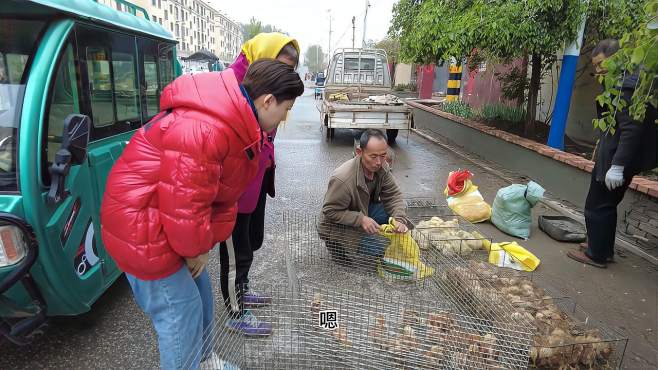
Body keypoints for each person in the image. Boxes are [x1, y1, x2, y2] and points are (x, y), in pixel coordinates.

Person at [100, 60, 304, 369]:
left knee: (201, 300)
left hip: (164, 220)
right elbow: (185, 203)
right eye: (285, 109)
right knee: (180, 312)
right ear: (268, 101)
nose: (284, 117)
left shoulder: (237, 122)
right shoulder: (207, 127)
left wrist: (199, 246)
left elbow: (218, 195)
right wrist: (194, 250)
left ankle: (205, 361)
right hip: (141, 225)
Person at [218, 33, 300, 337]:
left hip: (255, 179)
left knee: (251, 243)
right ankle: (236, 313)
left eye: (290, 70)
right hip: (233, 189)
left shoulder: (274, 89)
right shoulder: (237, 88)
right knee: (233, 252)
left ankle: (244, 288)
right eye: (279, 66)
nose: (284, 76)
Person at [567, 39, 657, 268]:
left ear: (616, 58)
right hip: (618, 155)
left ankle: (596, 254)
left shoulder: (625, 86)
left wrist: (617, 166)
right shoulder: (628, 80)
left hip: (619, 158)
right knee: (606, 204)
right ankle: (601, 247)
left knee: (597, 204)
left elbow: (631, 129)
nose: (597, 70)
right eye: (595, 66)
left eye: (600, 64)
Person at [320, 129, 410, 263]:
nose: (379, 162)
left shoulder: (381, 167)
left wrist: (399, 220)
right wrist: (361, 219)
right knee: (384, 246)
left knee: (401, 208)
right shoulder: (343, 178)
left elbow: (393, 195)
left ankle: (371, 233)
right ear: (359, 152)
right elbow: (330, 211)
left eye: (383, 155)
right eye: (373, 157)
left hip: (362, 209)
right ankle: (337, 245)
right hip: (336, 225)